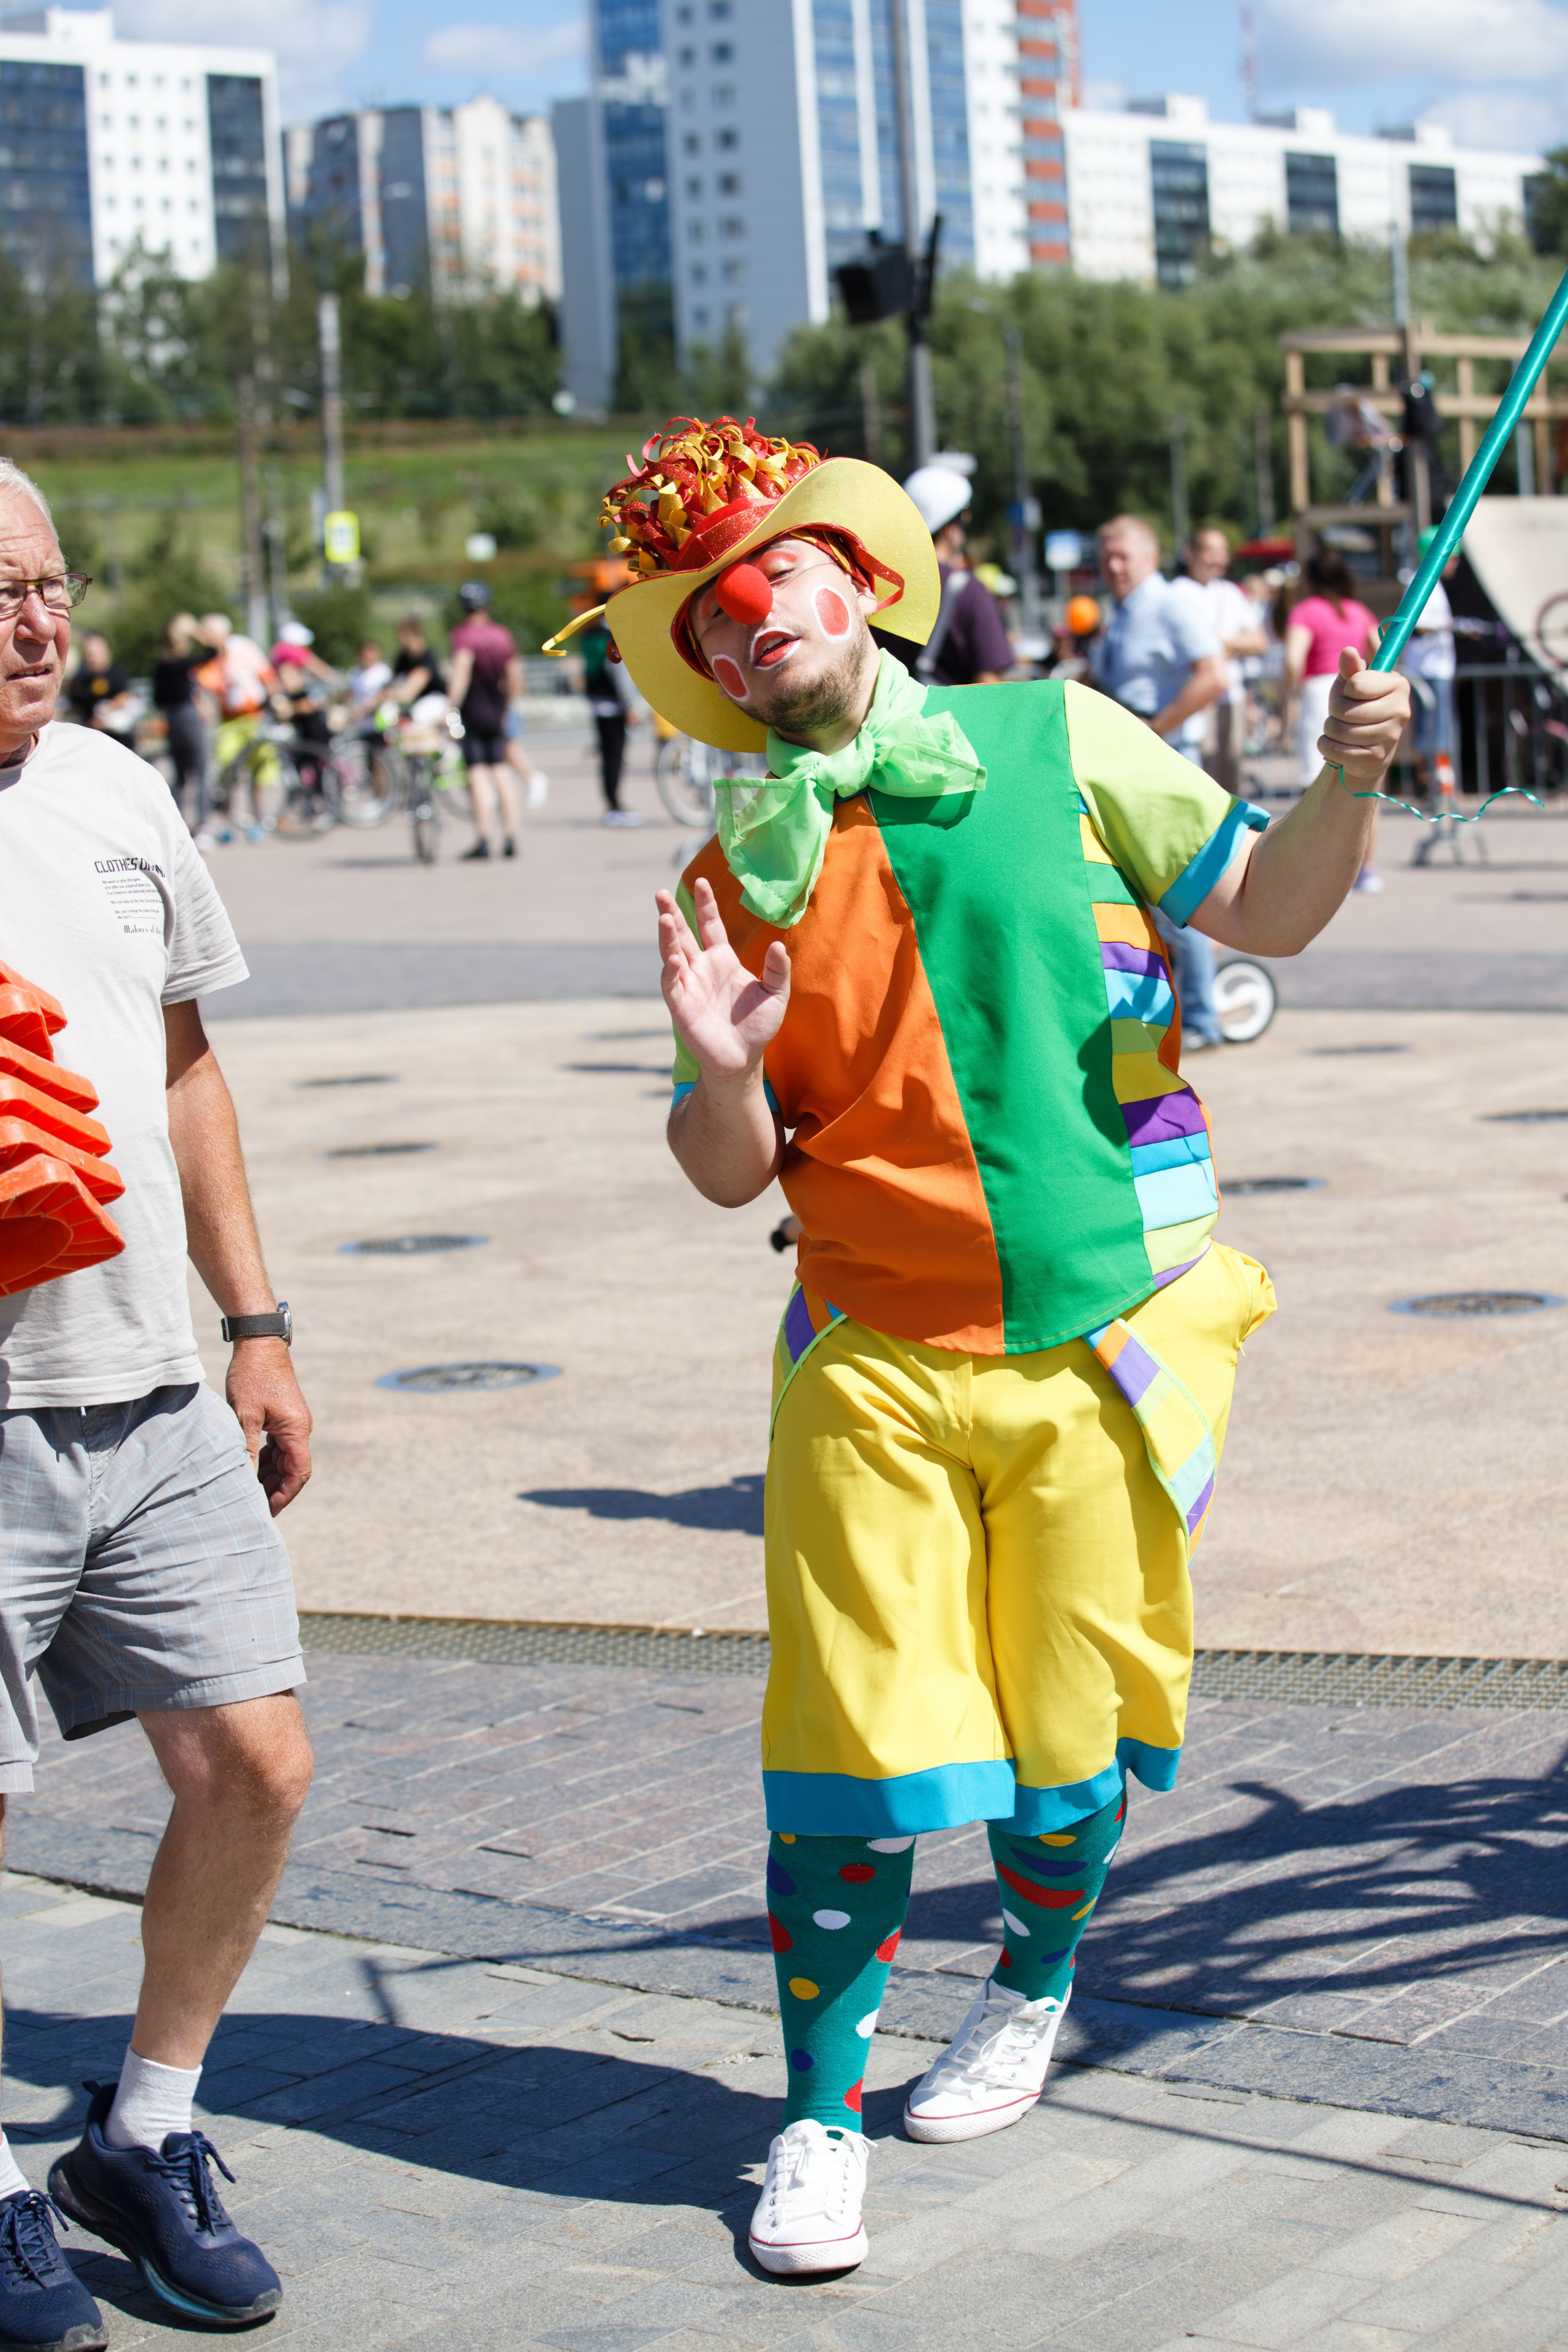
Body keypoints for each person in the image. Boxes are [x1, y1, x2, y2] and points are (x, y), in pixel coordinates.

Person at [605, 413, 1408, 2280]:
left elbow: (1269, 906)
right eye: (705, 625)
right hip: (869, 1355)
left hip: (1096, 1338)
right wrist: (720, 1073)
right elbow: (728, 1177)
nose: (742, 629)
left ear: (862, 581)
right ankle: (812, 2113)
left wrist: (1344, 785)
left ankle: (1033, 1986)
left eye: (765, 579)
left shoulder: (1062, 735)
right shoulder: (732, 873)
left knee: (1067, 1739)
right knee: (849, 1748)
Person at [0, 458, 314, 2341]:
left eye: (44, 585)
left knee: (257, 1762)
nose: (33, 622)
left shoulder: (113, 787)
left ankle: (147, 2122)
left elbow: (188, 1070)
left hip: (148, 1386)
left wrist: (257, 1319)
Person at [1092, 514, 1228, 1049]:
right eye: (1106, 557)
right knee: (1141, 898)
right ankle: (1167, 1015)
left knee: (1179, 897)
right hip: (1128, 762)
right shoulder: (1123, 612)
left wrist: (1154, 730)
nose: (1113, 567)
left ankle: (1202, 1018)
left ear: (1151, 557)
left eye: (1123, 556)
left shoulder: (1170, 604)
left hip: (1164, 761)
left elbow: (1214, 674)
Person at [1283, 551, 1382, 892]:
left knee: (1318, 783)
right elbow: (1381, 649)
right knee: (1364, 780)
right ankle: (1367, 868)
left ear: (1310, 580)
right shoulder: (1359, 611)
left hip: (1319, 693)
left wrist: (1289, 696)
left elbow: (1294, 659)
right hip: (1359, 691)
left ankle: (1321, 872)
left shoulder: (1305, 612)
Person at [898, 456, 1014, 686]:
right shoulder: (968, 592)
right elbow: (989, 684)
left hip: (886, 720)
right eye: (965, 512)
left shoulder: (879, 587)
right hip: (947, 721)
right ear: (951, 527)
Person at [1177, 527, 1267, 796]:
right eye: (1210, 551)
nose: (1217, 559)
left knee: (1233, 774)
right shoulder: (1178, 593)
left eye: (1222, 552)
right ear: (1191, 554)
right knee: (1202, 775)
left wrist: (1214, 644)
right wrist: (1233, 644)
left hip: (1232, 695)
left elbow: (1258, 640)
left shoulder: (1231, 592)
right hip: (1197, 695)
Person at [447, 582, 530, 861]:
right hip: (498, 712)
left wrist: (451, 708)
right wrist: (509, 707)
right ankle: (511, 836)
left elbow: (462, 672)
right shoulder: (502, 636)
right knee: (502, 772)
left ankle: (483, 839)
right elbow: (514, 675)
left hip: (473, 714)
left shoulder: (464, 637)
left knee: (478, 774)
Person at [196, 613, 276, 844]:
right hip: (229, 721)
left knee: (263, 769)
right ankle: (232, 820)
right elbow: (202, 688)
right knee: (228, 771)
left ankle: (261, 819)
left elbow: (267, 675)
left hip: (256, 717)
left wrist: (276, 703)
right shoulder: (207, 660)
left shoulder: (243, 647)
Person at [1399, 526, 1460, 800]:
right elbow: (1417, 626)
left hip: (1437, 668)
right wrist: (1449, 627)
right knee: (1429, 730)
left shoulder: (1434, 584)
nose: (1457, 564)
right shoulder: (1419, 581)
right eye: (1454, 558)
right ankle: (1430, 786)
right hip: (1426, 670)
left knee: (1441, 729)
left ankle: (1442, 785)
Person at [151, 614, 215, 845]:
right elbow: (213, 653)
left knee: (179, 776)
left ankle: (176, 828)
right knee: (201, 771)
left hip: (171, 720)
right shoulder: (182, 665)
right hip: (188, 717)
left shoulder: (160, 666)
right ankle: (204, 827)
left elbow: (157, 699)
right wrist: (198, 630)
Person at [582, 606, 642, 826]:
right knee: (616, 756)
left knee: (607, 755)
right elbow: (618, 671)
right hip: (614, 704)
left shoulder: (589, 634)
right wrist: (630, 706)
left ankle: (610, 802)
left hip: (597, 701)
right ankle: (615, 805)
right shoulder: (612, 637)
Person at [66, 633, 135, 736]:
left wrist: (103, 714)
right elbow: (74, 706)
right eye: (89, 654)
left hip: (117, 736)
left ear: (106, 653)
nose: (92, 658)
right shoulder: (81, 679)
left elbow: (125, 696)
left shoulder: (116, 673)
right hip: (90, 735)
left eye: (96, 654)